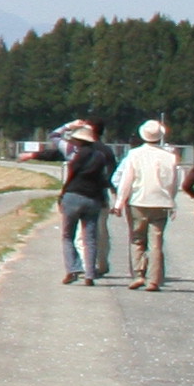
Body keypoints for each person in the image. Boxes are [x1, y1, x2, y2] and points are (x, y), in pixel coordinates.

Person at [113, 119, 186, 291]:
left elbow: (126, 181)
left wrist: (119, 202)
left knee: (137, 238)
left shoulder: (134, 155)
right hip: (161, 202)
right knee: (156, 242)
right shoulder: (170, 157)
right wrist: (172, 201)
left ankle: (138, 274)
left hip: (138, 201)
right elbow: (174, 183)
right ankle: (154, 279)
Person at [58, 120, 118, 284]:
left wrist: (62, 194)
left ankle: (73, 269)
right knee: (90, 237)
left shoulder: (78, 156)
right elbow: (107, 178)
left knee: (67, 235)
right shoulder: (102, 155)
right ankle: (90, 273)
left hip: (74, 196)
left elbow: (71, 176)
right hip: (93, 198)